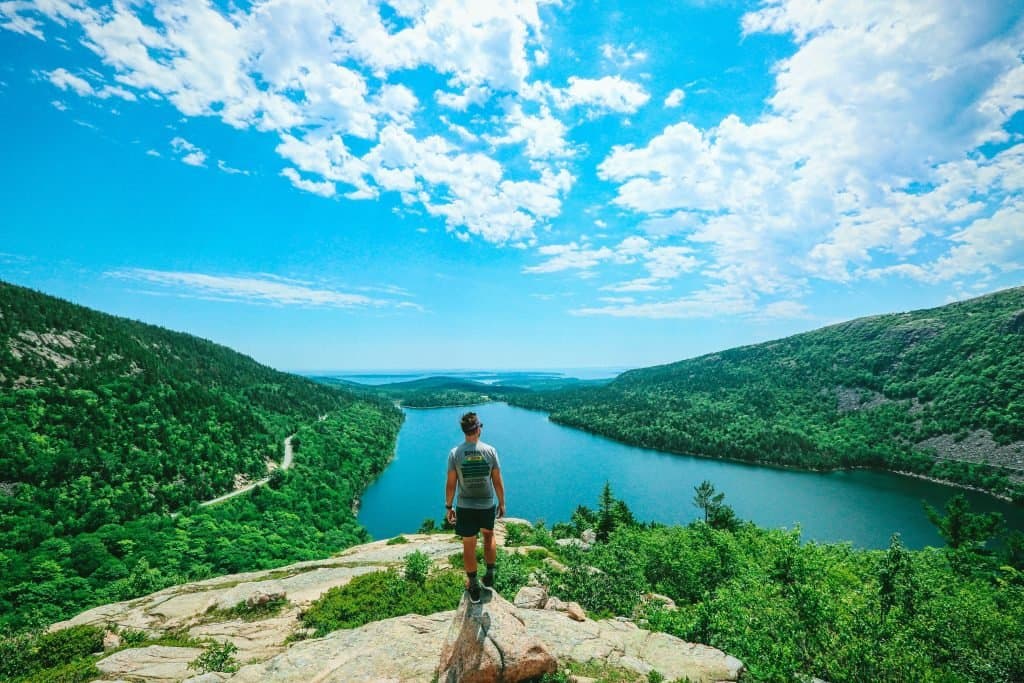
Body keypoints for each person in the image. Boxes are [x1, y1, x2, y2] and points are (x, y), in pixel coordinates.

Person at [445, 411, 505, 603]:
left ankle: (473, 586)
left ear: (464, 430)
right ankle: (489, 575)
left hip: (465, 506)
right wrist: (502, 502)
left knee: (469, 544)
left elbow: (451, 483)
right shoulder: (490, 451)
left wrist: (448, 506)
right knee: (489, 536)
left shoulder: (455, 453)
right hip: (486, 503)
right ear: (478, 429)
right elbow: (497, 480)